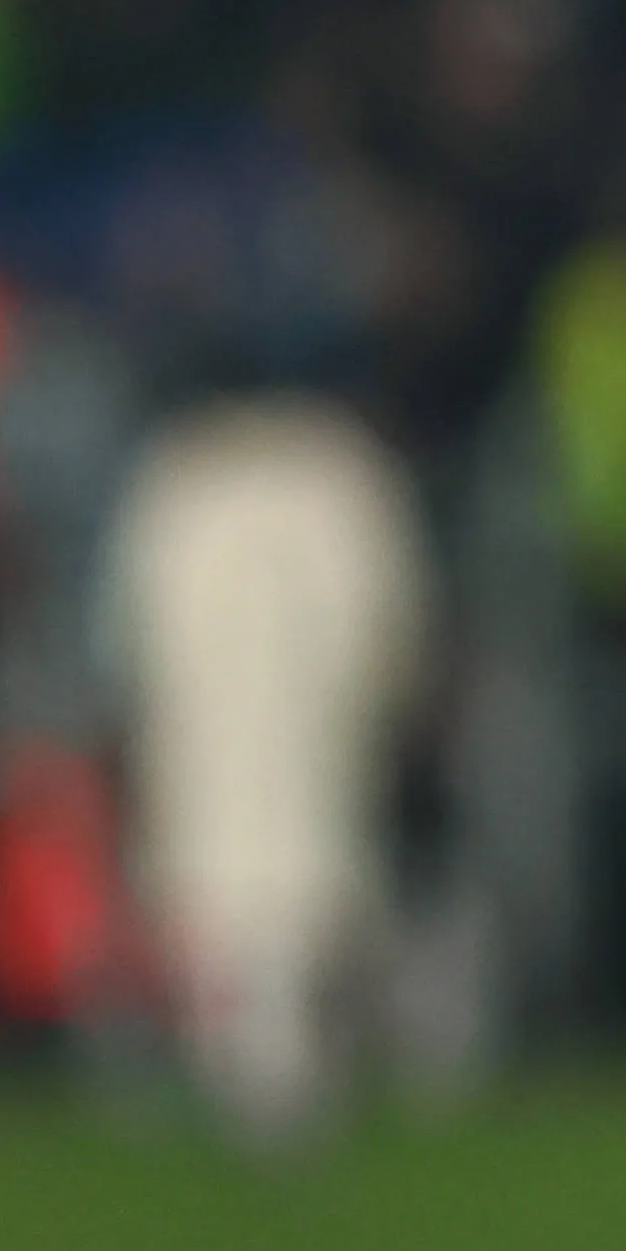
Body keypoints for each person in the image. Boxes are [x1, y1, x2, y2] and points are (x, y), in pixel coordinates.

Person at [100, 393, 427, 1149]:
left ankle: (282, 1068)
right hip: (231, 761)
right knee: (239, 890)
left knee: (290, 886)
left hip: (295, 760)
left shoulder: (311, 487)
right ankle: (262, 1068)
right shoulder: (200, 491)